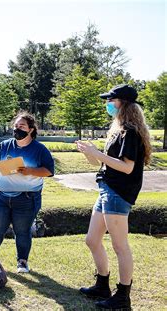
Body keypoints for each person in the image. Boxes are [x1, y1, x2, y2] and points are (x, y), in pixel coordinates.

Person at [77, 84, 151, 310]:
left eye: (111, 100)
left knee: (120, 246)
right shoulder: (119, 131)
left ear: (123, 103)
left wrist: (97, 153)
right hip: (107, 188)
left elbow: (127, 168)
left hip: (118, 193)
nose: (107, 104)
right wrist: (90, 153)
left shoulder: (130, 132)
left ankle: (123, 297)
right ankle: (102, 284)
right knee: (92, 240)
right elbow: (105, 163)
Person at [0, 111, 54, 273]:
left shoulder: (39, 150)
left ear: (31, 129)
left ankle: (22, 261)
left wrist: (30, 170)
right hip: (2, 197)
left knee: (22, 231)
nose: (17, 129)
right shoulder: (4, 145)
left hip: (27, 198)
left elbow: (49, 171)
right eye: (16, 126)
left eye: (22, 126)